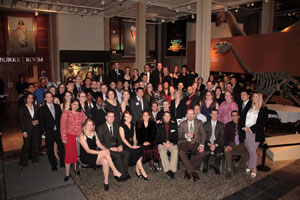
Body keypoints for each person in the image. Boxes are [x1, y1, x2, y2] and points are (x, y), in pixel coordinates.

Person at [79, 119, 122, 191]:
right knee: (105, 153)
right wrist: (101, 152)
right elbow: (88, 151)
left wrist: (105, 149)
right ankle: (114, 170)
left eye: (91, 125)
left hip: (95, 154)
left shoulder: (94, 132)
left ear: (93, 126)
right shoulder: (82, 136)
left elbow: (99, 144)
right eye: (88, 125)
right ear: (84, 126)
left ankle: (106, 182)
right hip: (86, 156)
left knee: (105, 161)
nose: (90, 126)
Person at [241, 92, 268, 178]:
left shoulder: (263, 108)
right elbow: (243, 116)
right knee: (248, 149)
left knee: (253, 151)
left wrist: (250, 129)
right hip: (246, 131)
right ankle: (249, 165)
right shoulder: (250, 106)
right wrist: (243, 127)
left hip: (255, 132)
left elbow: (262, 123)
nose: (254, 99)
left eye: (256, 97)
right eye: (253, 97)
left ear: (260, 98)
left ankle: (254, 168)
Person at [97, 112, 130, 181]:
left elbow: (119, 138)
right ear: (106, 117)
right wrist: (110, 148)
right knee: (117, 155)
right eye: (109, 116)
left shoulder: (116, 126)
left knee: (126, 153)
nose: (111, 118)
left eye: (113, 116)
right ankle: (119, 175)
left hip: (116, 147)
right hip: (106, 149)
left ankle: (125, 172)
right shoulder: (101, 128)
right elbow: (100, 142)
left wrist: (120, 146)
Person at [119, 111, 150, 180]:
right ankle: (142, 171)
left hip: (132, 143)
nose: (128, 118)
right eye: (126, 116)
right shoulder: (121, 126)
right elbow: (123, 139)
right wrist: (131, 146)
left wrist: (135, 143)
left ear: (131, 116)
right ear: (124, 118)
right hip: (126, 145)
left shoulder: (132, 124)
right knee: (135, 152)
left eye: (129, 116)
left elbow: (134, 135)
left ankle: (137, 169)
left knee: (141, 148)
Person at [60, 99, 86, 181]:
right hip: (69, 136)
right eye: (74, 104)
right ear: (71, 105)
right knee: (68, 154)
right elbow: (62, 126)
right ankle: (67, 173)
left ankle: (75, 169)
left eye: (77, 105)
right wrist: (63, 137)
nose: (76, 106)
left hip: (78, 136)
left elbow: (85, 122)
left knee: (77, 153)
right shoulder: (66, 113)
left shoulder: (80, 113)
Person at [38, 92, 65, 171]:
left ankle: (62, 162)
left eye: (51, 97)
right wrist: (44, 132)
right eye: (47, 97)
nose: (49, 98)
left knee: (62, 147)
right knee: (50, 149)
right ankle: (53, 165)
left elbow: (60, 119)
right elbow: (41, 122)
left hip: (58, 131)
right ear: (45, 98)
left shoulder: (57, 106)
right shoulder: (42, 109)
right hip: (49, 132)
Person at [178, 109, 206, 181]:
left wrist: (202, 145)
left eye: (192, 114)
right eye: (188, 114)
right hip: (185, 142)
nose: (190, 116)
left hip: (196, 143)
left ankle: (188, 170)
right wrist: (186, 135)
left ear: (194, 115)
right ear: (186, 115)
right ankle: (192, 171)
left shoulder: (199, 122)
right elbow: (179, 136)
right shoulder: (182, 123)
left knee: (202, 152)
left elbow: (203, 134)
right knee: (181, 152)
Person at [224, 110, 250, 179]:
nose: (234, 117)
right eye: (233, 115)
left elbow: (245, 136)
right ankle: (229, 170)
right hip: (231, 143)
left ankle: (237, 165)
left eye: (236, 115)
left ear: (239, 116)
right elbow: (225, 137)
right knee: (227, 151)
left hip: (240, 144)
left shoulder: (242, 125)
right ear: (231, 117)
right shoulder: (228, 125)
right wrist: (227, 145)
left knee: (247, 155)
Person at [19, 93, 39, 171]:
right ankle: (23, 163)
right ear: (26, 99)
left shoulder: (36, 107)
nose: (30, 99)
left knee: (35, 145)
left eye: (32, 98)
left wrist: (38, 121)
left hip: (36, 129)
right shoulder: (22, 108)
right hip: (27, 130)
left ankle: (35, 160)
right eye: (29, 98)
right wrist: (23, 131)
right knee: (26, 146)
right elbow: (21, 121)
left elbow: (38, 117)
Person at [156, 111, 178, 179]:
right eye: (166, 116)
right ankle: (168, 170)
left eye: (168, 116)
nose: (167, 117)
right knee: (162, 152)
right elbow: (157, 137)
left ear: (170, 117)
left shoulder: (174, 125)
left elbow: (176, 137)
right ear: (163, 117)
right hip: (162, 143)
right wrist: (164, 143)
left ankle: (171, 170)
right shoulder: (159, 125)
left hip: (171, 143)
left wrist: (172, 143)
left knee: (175, 151)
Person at [203, 109, 224, 175]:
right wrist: (210, 144)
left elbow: (221, 137)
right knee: (206, 152)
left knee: (218, 154)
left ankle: (216, 167)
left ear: (218, 115)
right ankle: (205, 166)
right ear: (210, 115)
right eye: (213, 114)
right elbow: (204, 136)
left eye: (216, 114)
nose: (214, 115)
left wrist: (215, 145)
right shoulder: (205, 124)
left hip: (217, 143)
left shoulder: (221, 125)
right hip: (208, 142)